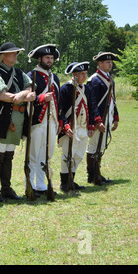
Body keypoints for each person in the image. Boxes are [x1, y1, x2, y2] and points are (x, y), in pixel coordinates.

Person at [0, 42, 36, 202]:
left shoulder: (18, 72)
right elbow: (2, 96)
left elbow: (30, 89)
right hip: (3, 117)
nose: (15, 55)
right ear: (3, 56)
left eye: (16, 53)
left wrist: (20, 95)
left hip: (17, 117)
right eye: (12, 53)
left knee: (9, 154)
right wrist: (20, 96)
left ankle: (6, 188)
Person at [26, 44, 62, 196]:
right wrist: (41, 98)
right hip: (37, 121)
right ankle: (31, 185)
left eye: (52, 58)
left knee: (46, 155)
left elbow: (58, 102)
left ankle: (41, 184)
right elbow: (25, 99)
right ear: (39, 58)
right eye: (47, 58)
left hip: (52, 121)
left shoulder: (55, 78)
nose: (50, 60)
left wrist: (59, 121)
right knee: (34, 154)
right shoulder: (31, 75)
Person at [58, 62, 95, 191]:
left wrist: (91, 125)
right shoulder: (65, 89)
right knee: (67, 155)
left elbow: (91, 106)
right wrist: (65, 126)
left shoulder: (86, 89)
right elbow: (60, 110)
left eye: (85, 74)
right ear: (74, 75)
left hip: (82, 127)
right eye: (82, 74)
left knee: (78, 155)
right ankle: (64, 183)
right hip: (70, 128)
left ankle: (71, 180)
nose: (85, 76)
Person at [86, 52, 119, 185]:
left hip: (108, 117)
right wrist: (97, 120)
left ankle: (97, 173)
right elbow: (92, 102)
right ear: (100, 64)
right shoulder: (94, 79)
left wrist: (115, 117)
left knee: (100, 147)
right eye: (107, 62)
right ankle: (92, 175)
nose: (110, 64)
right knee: (94, 146)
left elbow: (113, 99)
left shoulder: (110, 78)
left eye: (111, 62)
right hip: (98, 118)